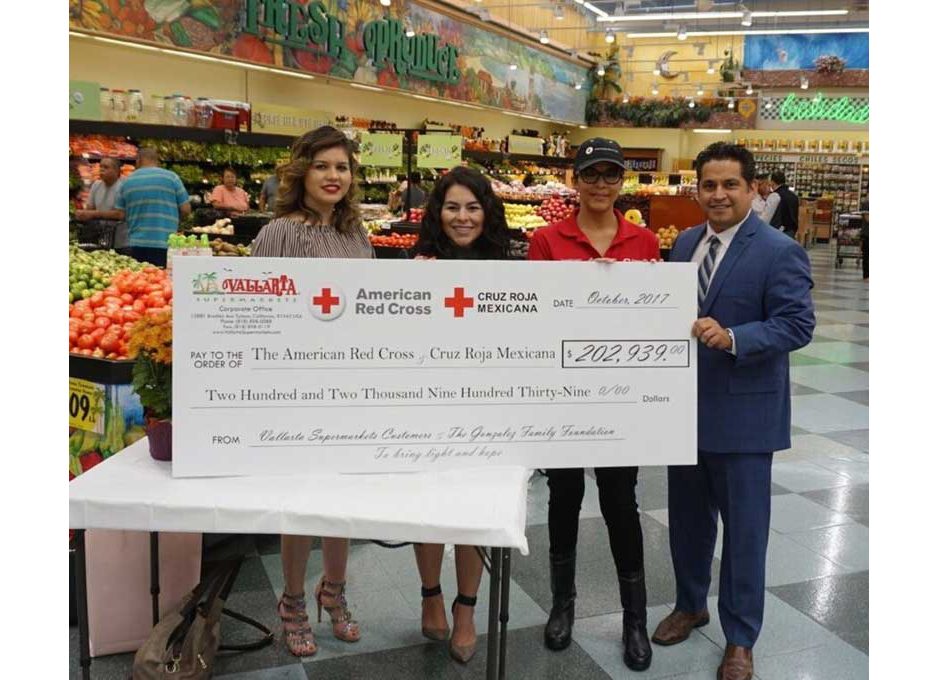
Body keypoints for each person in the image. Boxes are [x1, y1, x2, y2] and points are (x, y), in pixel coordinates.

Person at [653, 142, 814, 680]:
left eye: (729, 185)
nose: (717, 194)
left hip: (745, 420)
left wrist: (735, 337)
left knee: (745, 534)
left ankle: (741, 636)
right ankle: (690, 604)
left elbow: (797, 324)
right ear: (696, 189)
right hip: (684, 413)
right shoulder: (682, 244)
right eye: (709, 185)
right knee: (688, 525)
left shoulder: (778, 250)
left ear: (752, 189)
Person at [528, 138, 659, 672]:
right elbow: (534, 313)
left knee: (620, 502)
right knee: (563, 495)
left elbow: (652, 316)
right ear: (575, 180)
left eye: (610, 175)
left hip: (619, 396)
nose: (600, 184)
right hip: (562, 393)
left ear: (622, 181)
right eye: (591, 175)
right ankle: (563, 603)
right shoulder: (546, 239)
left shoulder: (644, 241)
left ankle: (634, 617)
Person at [251, 125, 372, 657]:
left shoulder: (357, 236)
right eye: (323, 166)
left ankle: (335, 590)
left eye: (342, 167)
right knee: (300, 500)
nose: (333, 176)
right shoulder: (277, 233)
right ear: (302, 171)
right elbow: (253, 308)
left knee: (342, 496)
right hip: (296, 387)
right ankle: (294, 599)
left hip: (349, 385)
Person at [410, 167, 512, 665]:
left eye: (472, 207)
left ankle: (466, 608)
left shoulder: (507, 267)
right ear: (438, 212)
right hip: (428, 405)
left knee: (475, 508)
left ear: (487, 211)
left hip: (486, 408)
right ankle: (431, 593)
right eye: (452, 207)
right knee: (427, 504)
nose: (463, 217)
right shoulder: (420, 264)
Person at [114, 148, 191, 267]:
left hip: (136, 244)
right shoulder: (172, 178)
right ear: (157, 161)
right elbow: (186, 209)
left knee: (141, 281)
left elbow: (120, 214)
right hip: (166, 243)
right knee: (163, 281)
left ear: (138, 160)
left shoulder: (126, 181)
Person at [74, 157, 128, 251]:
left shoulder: (123, 186)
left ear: (116, 170)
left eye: (106, 167)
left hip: (119, 239)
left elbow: (120, 214)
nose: (102, 169)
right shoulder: (96, 185)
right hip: (99, 235)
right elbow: (89, 209)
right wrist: (83, 214)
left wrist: (93, 214)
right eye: (101, 167)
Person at [768, 170, 799, 239]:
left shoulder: (775, 196)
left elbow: (770, 216)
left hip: (778, 232)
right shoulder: (793, 196)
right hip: (791, 231)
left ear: (772, 182)